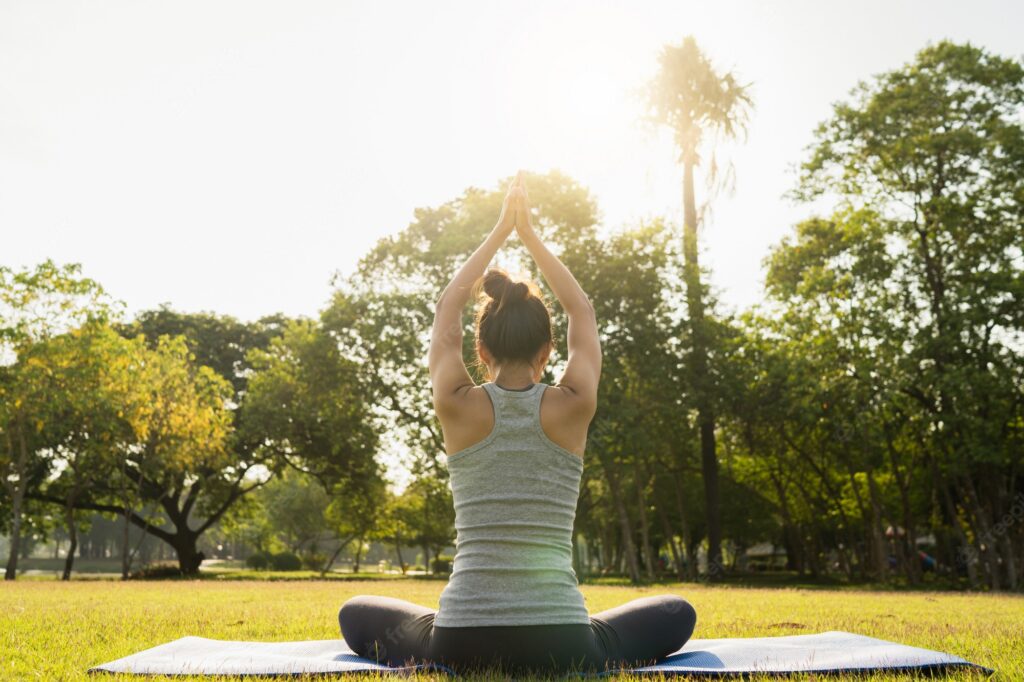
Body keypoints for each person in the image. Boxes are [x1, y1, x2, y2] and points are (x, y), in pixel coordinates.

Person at [338, 171, 696, 674]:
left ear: (480, 349)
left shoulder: (457, 404)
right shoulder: (572, 404)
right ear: (548, 351)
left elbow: (447, 309)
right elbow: (583, 313)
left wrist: (500, 231)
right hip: (563, 643)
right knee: (677, 612)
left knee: (354, 614)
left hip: (460, 641)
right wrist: (530, 235)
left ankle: (444, 631)